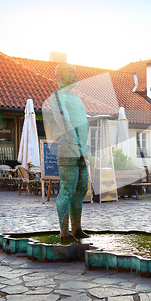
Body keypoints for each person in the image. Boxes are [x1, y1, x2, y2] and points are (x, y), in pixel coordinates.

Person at [50, 63, 90, 241]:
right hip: (69, 148)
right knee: (67, 190)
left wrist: (84, 146)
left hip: (82, 148)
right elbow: (65, 122)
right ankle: (64, 231)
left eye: (75, 73)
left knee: (81, 190)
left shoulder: (76, 98)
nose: (75, 76)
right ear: (61, 76)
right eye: (71, 73)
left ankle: (77, 228)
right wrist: (78, 145)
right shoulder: (58, 97)